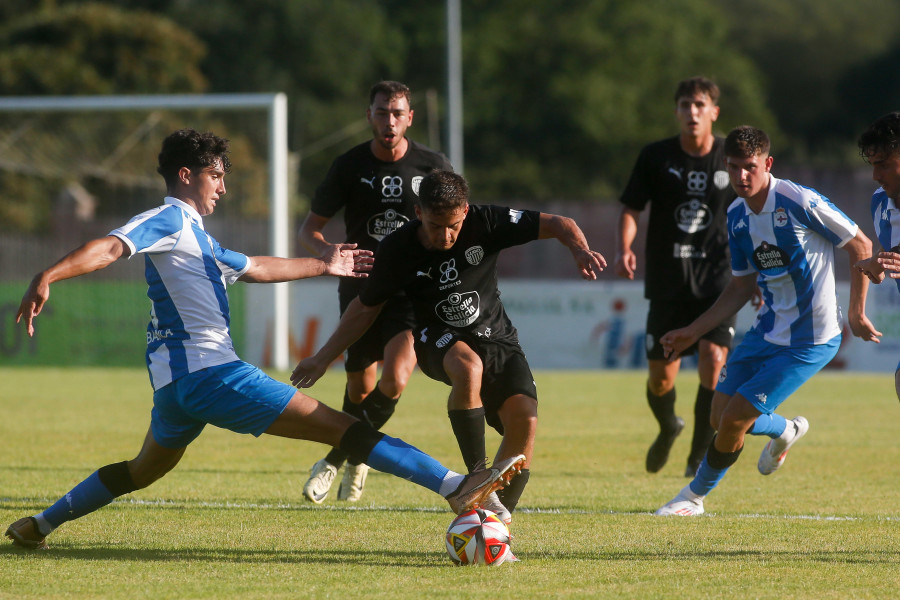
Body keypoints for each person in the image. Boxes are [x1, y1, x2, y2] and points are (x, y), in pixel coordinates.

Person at [4, 129, 523, 550]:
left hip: (176, 388)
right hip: (213, 374)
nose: (222, 187)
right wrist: (48, 275)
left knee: (141, 471)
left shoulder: (196, 239)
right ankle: (455, 485)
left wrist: (324, 263)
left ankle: (41, 524)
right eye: (216, 175)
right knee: (343, 428)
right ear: (186, 176)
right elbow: (112, 247)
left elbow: (254, 267)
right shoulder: (167, 219)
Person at [291, 170, 607, 525]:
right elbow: (364, 308)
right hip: (435, 336)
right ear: (419, 213)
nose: (446, 235)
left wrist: (580, 251)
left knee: (525, 422)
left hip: (497, 335)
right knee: (468, 367)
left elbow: (561, 223)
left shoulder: (487, 221)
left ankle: (494, 522)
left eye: (454, 225)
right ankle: (475, 473)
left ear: (466, 211)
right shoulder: (397, 248)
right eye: (436, 225)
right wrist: (321, 359)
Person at [655, 126, 880, 516]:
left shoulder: (797, 201)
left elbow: (860, 244)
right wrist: (692, 330)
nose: (742, 176)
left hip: (811, 339)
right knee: (716, 415)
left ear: (767, 163)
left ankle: (693, 498)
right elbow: (741, 286)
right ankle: (786, 430)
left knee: (732, 421)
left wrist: (857, 312)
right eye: (733, 168)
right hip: (766, 330)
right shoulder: (737, 214)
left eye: (750, 167)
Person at [298, 81, 453, 504]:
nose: (389, 121)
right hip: (360, 290)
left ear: (410, 118)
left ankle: (334, 460)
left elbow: (455, 223)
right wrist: (326, 250)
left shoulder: (432, 165)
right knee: (360, 390)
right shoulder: (348, 166)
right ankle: (360, 457)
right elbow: (308, 228)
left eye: (397, 113)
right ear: (369, 115)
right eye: (382, 112)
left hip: (409, 292)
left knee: (397, 378)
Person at [616, 76, 738, 477]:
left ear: (714, 112)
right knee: (660, 381)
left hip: (718, 279)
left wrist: (756, 270)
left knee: (713, 360)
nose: (692, 112)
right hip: (669, 281)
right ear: (676, 111)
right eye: (685, 105)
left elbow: (753, 213)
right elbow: (632, 208)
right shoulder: (655, 156)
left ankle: (697, 456)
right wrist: (626, 248)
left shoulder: (731, 156)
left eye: (700, 105)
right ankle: (669, 425)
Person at [856, 112, 900, 400]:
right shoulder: (879, 202)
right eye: (872, 165)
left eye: (882, 165)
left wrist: (879, 261)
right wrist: (878, 264)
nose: (875, 175)